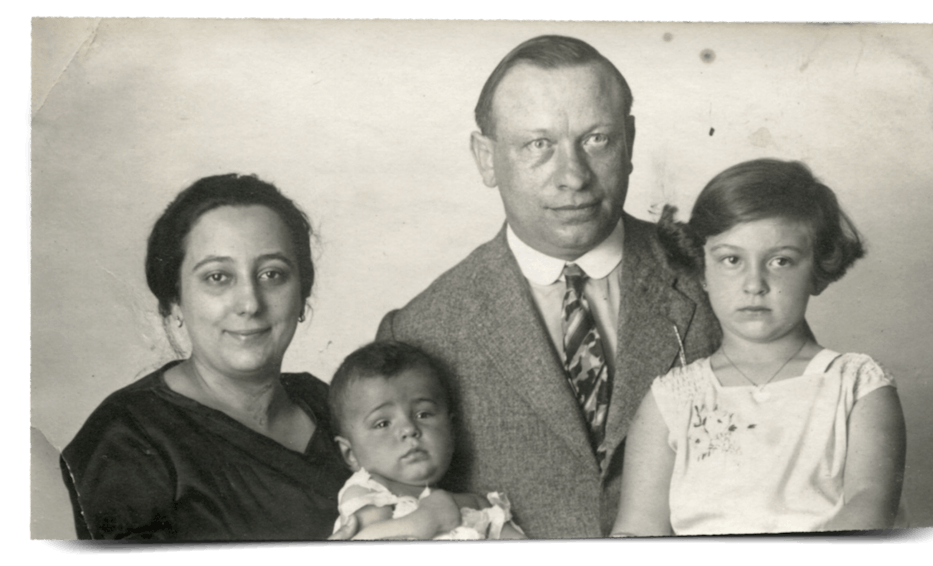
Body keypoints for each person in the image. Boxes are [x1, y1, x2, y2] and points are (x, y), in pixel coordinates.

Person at [376, 35, 722, 539]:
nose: (573, 176)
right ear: (486, 158)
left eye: (596, 139)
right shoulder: (420, 330)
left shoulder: (719, 282)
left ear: (629, 142)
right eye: (538, 145)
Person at [610, 159, 907, 536]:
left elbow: (868, 512)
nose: (755, 283)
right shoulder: (672, 399)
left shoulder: (858, 386)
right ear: (701, 271)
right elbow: (637, 531)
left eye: (780, 261)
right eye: (732, 260)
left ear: (818, 268)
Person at [59, 174, 354, 540]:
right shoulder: (126, 436)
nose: (249, 303)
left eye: (272, 274)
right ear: (174, 301)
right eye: (218, 277)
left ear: (302, 295)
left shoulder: (332, 405)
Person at [327, 341, 526, 540]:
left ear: (451, 429)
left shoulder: (478, 505)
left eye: (423, 414)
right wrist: (426, 519)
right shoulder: (369, 491)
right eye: (382, 424)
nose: (409, 429)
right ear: (350, 454)